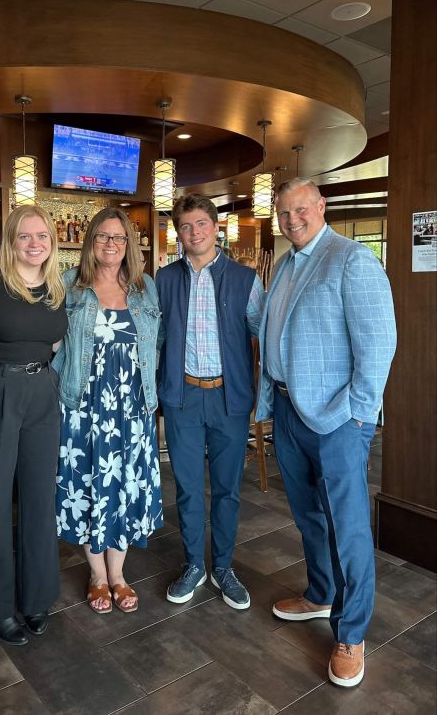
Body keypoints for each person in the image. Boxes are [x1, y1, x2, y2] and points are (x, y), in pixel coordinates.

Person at [256, 177, 396, 688]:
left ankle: (351, 632)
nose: (292, 220)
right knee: (308, 516)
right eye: (284, 213)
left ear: (321, 206)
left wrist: (357, 417)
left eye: (300, 210)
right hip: (288, 411)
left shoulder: (352, 260)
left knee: (348, 525)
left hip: (337, 420)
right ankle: (320, 593)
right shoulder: (285, 264)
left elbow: (379, 345)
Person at [0, 205, 67, 645]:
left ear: (52, 241)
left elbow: (54, 340)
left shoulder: (56, 286)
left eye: (42, 235)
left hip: (42, 390)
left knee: (41, 496)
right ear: (10, 240)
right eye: (25, 235)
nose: (34, 243)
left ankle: (36, 597)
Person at [156, 194, 264, 609]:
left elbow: (265, 334)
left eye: (201, 223)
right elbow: (155, 339)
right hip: (182, 397)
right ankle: (193, 566)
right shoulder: (164, 280)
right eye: (186, 226)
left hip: (228, 398)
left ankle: (223, 567)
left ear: (215, 228)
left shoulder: (245, 279)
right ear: (177, 233)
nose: (194, 232)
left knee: (227, 490)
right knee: (186, 489)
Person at [53, 207, 162, 614]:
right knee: (87, 484)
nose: (111, 244)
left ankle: (118, 574)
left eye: (118, 237)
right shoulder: (69, 285)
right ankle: (97, 575)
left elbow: (156, 342)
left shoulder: (145, 287)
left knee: (124, 485)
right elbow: (52, 343)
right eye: (102, 236)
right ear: (90, 242)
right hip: (83, 404)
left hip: (132, 406)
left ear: (128, 244)